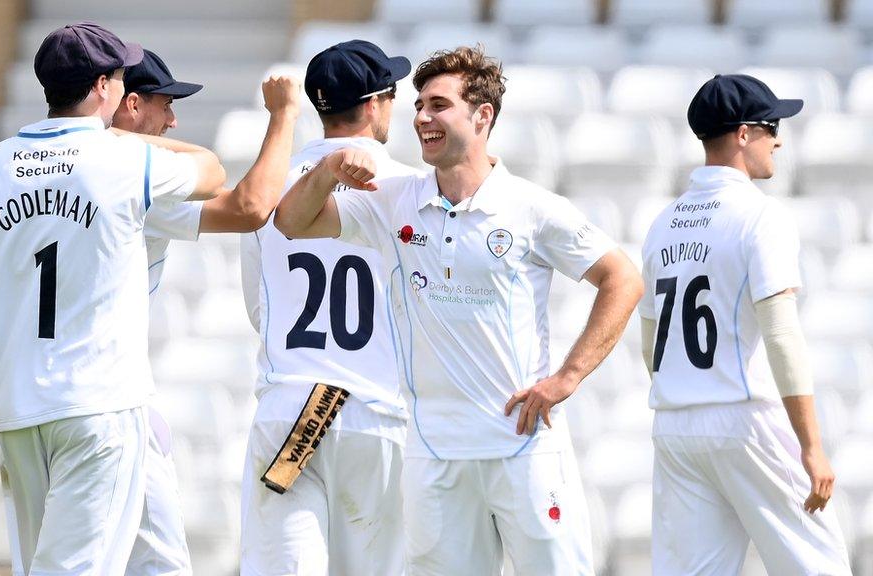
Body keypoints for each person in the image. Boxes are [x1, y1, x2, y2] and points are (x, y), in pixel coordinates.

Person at [0, 22, 226, 575]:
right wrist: (132, 138)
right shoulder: (122, 159)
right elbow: (212, 170)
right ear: (105, 87)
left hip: (17, 415)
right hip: (99, 408)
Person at [274, 45, 643, 576]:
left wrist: (567, 377)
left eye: (439, 105)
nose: (422, 117)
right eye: (419, 104)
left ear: (482, 115)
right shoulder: (393, 198)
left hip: (521, 450)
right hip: (433, 455)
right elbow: (291, 221)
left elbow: (622, 278)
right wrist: (329, 167)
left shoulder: (531, 207)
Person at [638, 74, 851, 575]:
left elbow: (651, 346)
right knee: (820, 566)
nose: (778, 139)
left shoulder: (662, 222)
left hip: (675, 425)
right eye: (771, 126)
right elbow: (780, 335)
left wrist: (689, 394)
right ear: (742, 134)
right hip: (744, 418)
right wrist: (812, 447)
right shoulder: (760, 216)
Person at [111, 48, 300, 576]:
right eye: (164, 104)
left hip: (31, 403)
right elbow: (247, 205)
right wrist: (284, 116)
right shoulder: (131, 183)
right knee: (162, 567)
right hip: (112, 406)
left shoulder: (25, 171)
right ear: (129, 105)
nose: (173, 119)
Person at [237, 40, 420, 576]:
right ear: (372, 105)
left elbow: (260, 310)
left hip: (291, 407)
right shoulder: (409, 186)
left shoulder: (269, 187)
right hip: (377, 411)